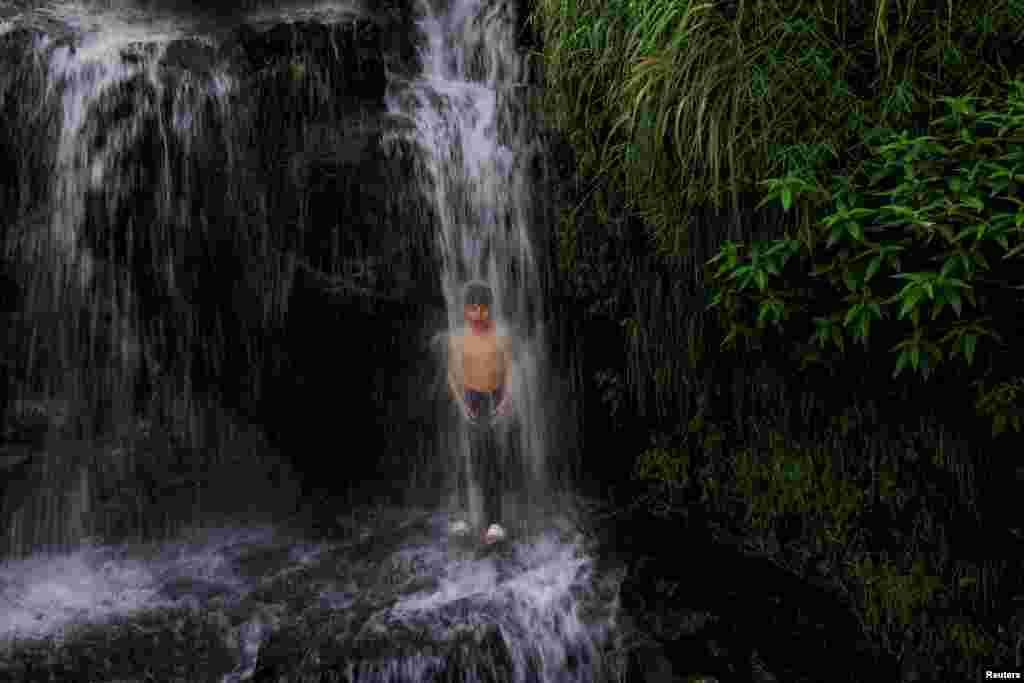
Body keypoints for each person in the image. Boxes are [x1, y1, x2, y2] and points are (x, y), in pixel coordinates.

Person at [447, 282, 514, 545]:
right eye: (473, 309)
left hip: (494, 397)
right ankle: (463, 517)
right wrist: (462, 404)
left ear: (490, 309)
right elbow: (452, 376)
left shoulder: (501, 337)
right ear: (465, 310)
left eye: (483, 309)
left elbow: (509, 371)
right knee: (470, 455)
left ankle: (495, 522)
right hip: (471, 398)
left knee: (491, 457)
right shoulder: (459, 339)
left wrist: (507, 398)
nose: (478, 314)